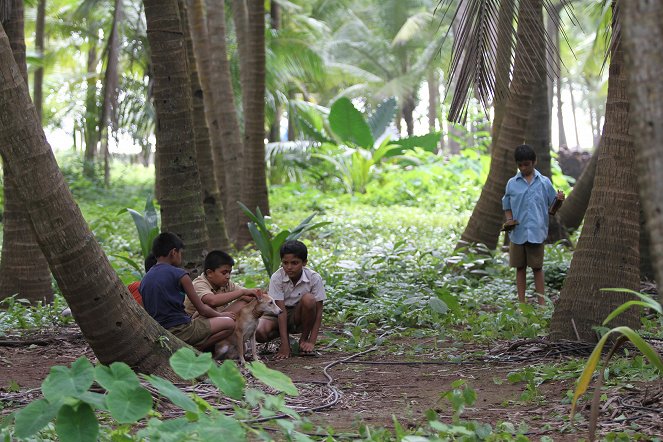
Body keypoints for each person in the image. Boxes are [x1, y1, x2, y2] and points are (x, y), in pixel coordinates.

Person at [140, 232, 236, 349]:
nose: (181, 256)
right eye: (180, 252)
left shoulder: (145, 279)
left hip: (158, 332)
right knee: (229, 323)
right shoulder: (180, 275)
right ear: (174, 252)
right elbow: (202, 310)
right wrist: (221, 314)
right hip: (182, 330)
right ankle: (194, 350)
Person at [502, 144, 564, 305]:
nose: (523, 168)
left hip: (537, 231)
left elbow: (553, 207)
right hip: (517, 233)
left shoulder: (544, 182)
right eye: (520, 165)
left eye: (526, 164)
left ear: (534, 162)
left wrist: (559, 200)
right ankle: (522, 303)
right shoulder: (512, 183)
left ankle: (541, 303)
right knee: (520, 268)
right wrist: (509, 220)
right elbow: (506, 204)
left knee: (537, 267)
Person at [256, 240, 326, 359]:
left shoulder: (314, 278)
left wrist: (311, 341)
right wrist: (285, 345)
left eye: (294, 263)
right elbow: (280, 312)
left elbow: (318, 311)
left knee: (309, 299)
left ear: (304, 262)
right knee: (259, 332)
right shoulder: (277, 277)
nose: (289, 267)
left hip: (299, 315)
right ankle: (284, 337)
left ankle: (303, 340)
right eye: (285, 263)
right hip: (277, 313)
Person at [183, 250, 261, 316]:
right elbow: (212, 301)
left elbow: (249, 296)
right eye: (224, 273)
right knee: (210, 306)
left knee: (244, 302)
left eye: (229, 273)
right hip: (196, 324)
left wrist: (257, 296)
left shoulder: (225, 284)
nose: (228, 276)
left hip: (219, 317)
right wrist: (242, 292)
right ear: (210, 273)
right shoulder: (199, 284)